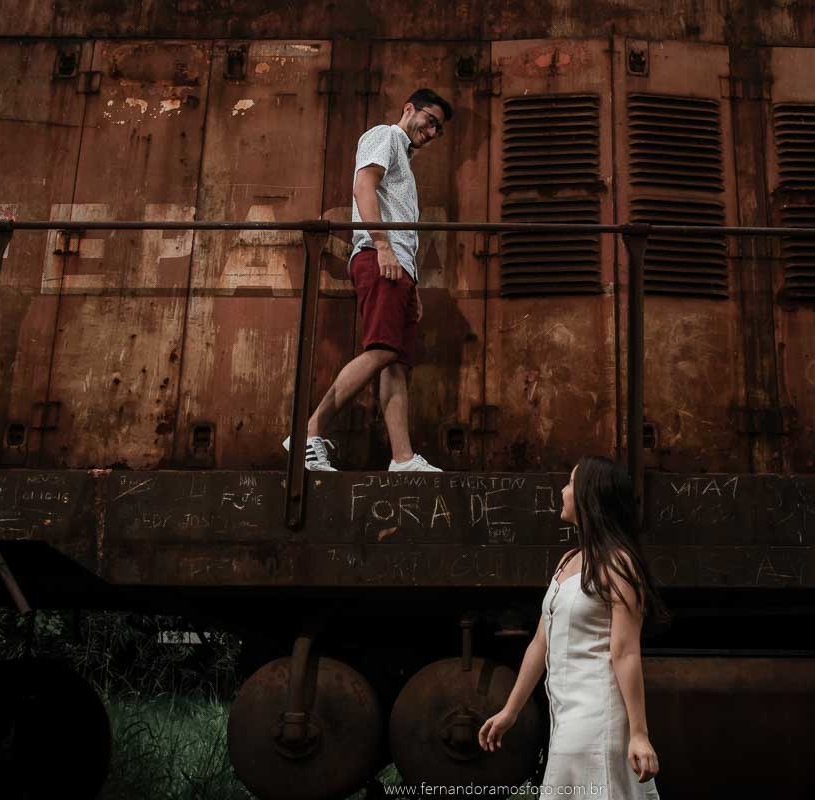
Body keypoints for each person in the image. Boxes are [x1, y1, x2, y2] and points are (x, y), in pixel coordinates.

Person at [478, 456, 668, 797]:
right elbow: (541, 642)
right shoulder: (568, 561)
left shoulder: (619, 565)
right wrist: (511, 711)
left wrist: (639, 733)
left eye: (570, 484)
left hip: (600, 717)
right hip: (566, 719)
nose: (563, 491)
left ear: (588, 497)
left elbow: (625, 652)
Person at [286, 88, 452, 472]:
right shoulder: (384, 136)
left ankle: (402, 457)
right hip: (381, 260)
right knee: (382, 349)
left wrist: (411, 281)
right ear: (409, 109)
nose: (431, 133)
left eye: (438, 131)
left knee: (395, 361)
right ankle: (308, 433)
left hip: (397, 270)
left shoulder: (405, 165)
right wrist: (382, 246)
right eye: (430, 122)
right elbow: (364, 186)